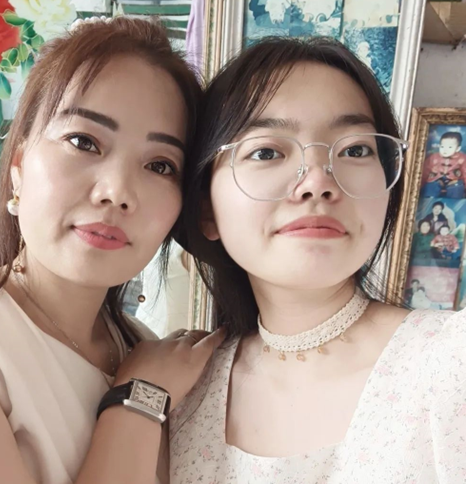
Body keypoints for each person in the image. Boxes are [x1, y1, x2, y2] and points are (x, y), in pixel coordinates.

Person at [168, 37, 466, 481]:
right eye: (266, 152)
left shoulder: (452, 362)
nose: (317, 182)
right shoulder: (181, 394)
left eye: (355, 150)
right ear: (206, 208)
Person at [0, 16, 224, 484]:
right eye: (84, 141)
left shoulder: (141, 346)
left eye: (160, 165)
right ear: (18, 168)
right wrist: (139, 399)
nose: (117, 192)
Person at [422, 131, 466, 198]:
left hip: (454, 181)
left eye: (450, 147)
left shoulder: (462, 158)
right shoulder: (433, 157)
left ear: (458, 148)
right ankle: (429, 200)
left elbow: (465, 172)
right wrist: (420, 184)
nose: (445, 150)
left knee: (457, 187)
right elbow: (425, 171)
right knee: (430, 186)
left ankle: (454, 201)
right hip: (436, 179)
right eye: (442, 146)